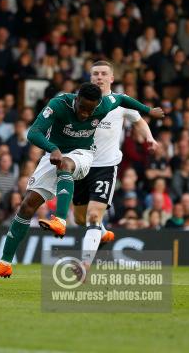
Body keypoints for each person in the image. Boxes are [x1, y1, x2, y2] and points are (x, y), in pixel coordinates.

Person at [0, 82, 164, 282]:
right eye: (82, 107)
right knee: (27, 206)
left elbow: (121, 98)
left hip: (83, 154)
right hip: (54, 151)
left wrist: (148, 110)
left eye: (90, 110)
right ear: (76, 99)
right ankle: (4, 264)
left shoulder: (104, 104)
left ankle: (59, 219)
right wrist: (52, 148)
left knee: (65, 165)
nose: (85, 114)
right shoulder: (59, 104)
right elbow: (33, 133)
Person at [72, 61, 159, 275]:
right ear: (90, 77)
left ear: (111, 78)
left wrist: (149, 137)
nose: (99, 77)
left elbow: (138, 121)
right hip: (81, 165)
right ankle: (100, 233)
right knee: (80, 219)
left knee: (94, 216)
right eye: (95, 74)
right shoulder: (79, 101)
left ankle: (84, 265)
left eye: (103, 74)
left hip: (105, 167)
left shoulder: (121, 103)